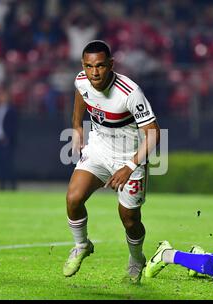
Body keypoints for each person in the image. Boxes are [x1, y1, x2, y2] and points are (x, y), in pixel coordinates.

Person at [64, 40, 160, 283]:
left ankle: (136, 260)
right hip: (99, 149)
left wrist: (130, 166)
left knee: (129, 218)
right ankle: (81, 245)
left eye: (100, 66)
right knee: (73, 198)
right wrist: (76, 126)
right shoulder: (82, 79)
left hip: (130, 157)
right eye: (88, 66)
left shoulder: (130, 92)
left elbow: (154, 133)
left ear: (111, 65)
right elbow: (80, 94)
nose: (94, 73)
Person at [0, 89, 18, 191]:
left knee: (8, 164)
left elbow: (13, 126)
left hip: (6, 141)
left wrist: (8, 138)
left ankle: (12, 185)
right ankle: (1, 185)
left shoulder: (11, 110)